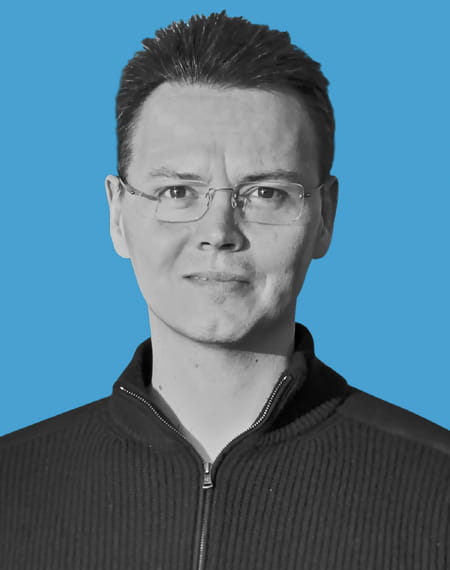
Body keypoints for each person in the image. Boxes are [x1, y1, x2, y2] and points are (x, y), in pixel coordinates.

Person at [1, 11, 448, 570]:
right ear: (117, 214)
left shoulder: (438, 489)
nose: (218, 233)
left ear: (325, 216)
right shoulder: (12, 487)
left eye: (265, 193)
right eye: (176, 192)